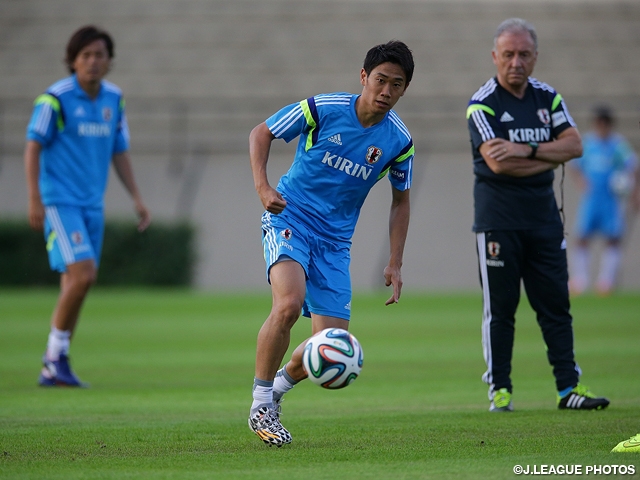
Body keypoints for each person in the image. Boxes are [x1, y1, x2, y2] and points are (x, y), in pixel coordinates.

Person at [247, 40, 414, 446]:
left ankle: (278, 393)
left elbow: (401, 200)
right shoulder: (324, 108)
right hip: (290, 216)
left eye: (397, 84)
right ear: (363, 77)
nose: (387, 91)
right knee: (287, 304)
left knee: (332, 344)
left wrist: (395, 261)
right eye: (380, 80)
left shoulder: (398, 142)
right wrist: (263, 186)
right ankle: (259, 403)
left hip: (335, 242)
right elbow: (261, 133)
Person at [466, 18, 609, 412]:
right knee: (502, 310)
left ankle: (568, 389)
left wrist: (527, 152)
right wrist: (549, 156)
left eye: (524, 54)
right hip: (498, 222)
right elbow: (497, 165)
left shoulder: (548, 98)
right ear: (495, 57)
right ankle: (500, 389)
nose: (516, 62)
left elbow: (576, 146)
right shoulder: (482, 104)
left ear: (535, 57)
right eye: (508, 54)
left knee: (556, 307)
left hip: (545, 221)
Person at [24, 25, 151, 387]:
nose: (93, 62)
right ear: (72, 61)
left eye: (99, 55)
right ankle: (53, 359)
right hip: (60, 202)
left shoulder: (114, 98)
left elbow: (119, 150)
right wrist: (34, 197)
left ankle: (57, 362)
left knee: (75, 283)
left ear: (110, 61)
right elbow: (33, 145)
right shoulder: (55, 99)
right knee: (83, 276)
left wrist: (137, 198)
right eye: (86, 55)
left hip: (91, 205)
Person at [569, 106, 639, 296]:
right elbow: (575, 165)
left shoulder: (618, 145)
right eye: (598, 123)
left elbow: (633, 166)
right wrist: (582, 182)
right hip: (591, 198)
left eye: (604, 123)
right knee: (582, 238)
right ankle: (580, 280)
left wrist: (635, 193)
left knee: (613, 239)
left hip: (611, 199)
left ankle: (606, 282)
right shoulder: (589, 143)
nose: (601, 127)